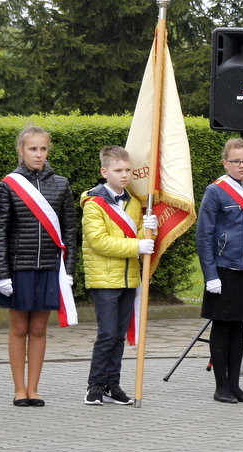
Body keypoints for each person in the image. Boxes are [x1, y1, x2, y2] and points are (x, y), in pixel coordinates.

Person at [0, 125, 78, 407]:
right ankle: (19, 389)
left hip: (49, 269)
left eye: (43, 149)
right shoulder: (9, 185)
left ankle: (34, 388)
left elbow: (69, 232)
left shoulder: (61, 184)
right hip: (19, 269)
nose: (38, 154)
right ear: (21, 150)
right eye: (32, 149)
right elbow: (0, 232)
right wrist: (3, 274)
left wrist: (69, 272)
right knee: (18, 328)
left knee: (39, 329)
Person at [196, 138, 243, 404]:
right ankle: (221, 387)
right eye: (236, 161)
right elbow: (204, 236)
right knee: (222, 328)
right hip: (223, 270)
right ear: (225, 163)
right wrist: (210, 275)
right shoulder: (215, 191)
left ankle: (236, 385)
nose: (242, 165)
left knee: (240, 329)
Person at [80, 146, 157, 406]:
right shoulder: (93, 204)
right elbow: (99, 242)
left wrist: (150, 231)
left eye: (128, 170)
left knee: (120, 335)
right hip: (104, 278)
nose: (124, 175)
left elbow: (140, 238)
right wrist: (137, 245)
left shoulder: (134, 203)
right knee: (108, 334)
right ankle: (95, 386)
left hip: (128, 277)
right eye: (118, 170)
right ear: (104, 172)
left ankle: (112, 384)